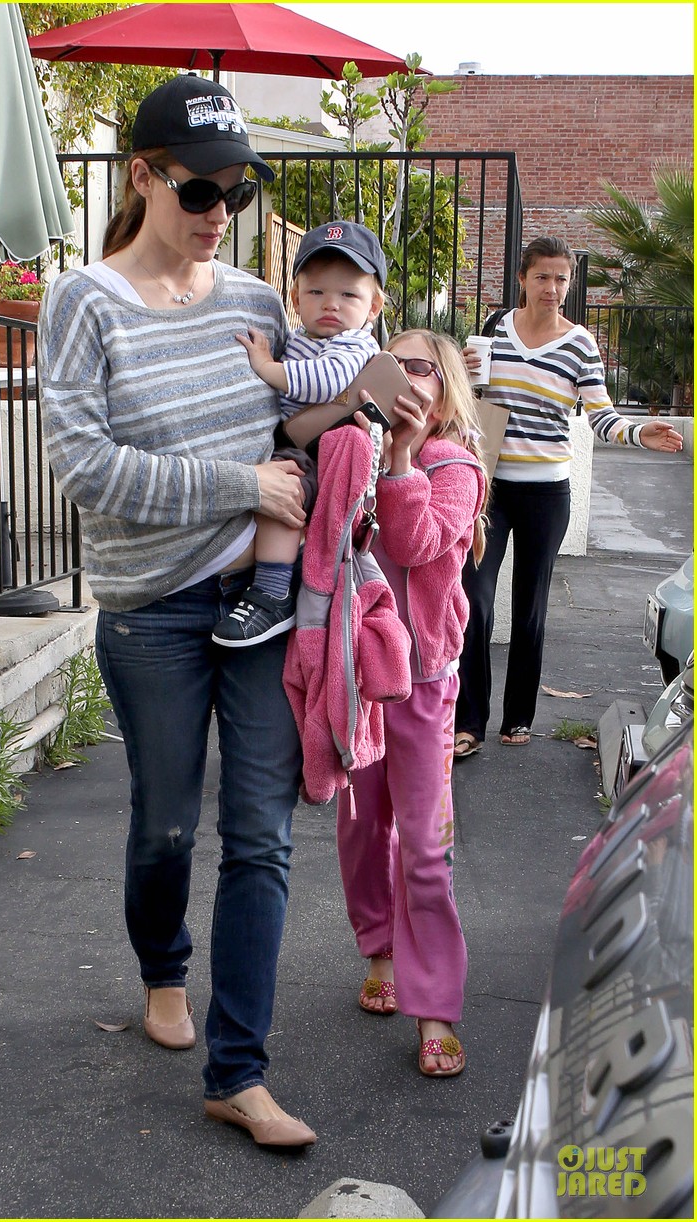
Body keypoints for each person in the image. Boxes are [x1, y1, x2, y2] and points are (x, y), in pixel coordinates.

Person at [37, 75, 317, 1148]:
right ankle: (163, 967)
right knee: (164, 824)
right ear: (142, 177)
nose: (218, 213)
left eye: (235, 193)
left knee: (261, 838)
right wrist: (240, 486)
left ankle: (238, 1073)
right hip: (149, 607)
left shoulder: (256, 303)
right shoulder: (83, 300)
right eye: (199, 189)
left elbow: (296, 432)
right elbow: (85, 469)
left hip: (259, 600)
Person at [454, 236, 684, 758]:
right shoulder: (495, 330)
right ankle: (469, 723)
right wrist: (463, 376)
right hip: (489, 488)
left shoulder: (580, 344)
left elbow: (601, 416)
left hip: (547, 493)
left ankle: (518, 717)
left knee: (530, 608)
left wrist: (638, 433)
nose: (552, 287)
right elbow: (470, 400)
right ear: (522, 279)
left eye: (561, 278)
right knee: (475, 599)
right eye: (542, 276)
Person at [336, 329, 488, 1077]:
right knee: (364, 829)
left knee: (425, 846)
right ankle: (379, 950)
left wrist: (401, 458)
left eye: (420, 366)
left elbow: (416, 541)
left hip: (425, 681)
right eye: (390, 364)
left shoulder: (455, 465)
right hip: (361, 676)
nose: (404, 377)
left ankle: (435, 1008)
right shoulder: (352, 449)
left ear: (446, 385)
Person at [211, 220, 386, 647]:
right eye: (316, 292)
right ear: (295, 298)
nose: (331, 304)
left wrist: (265, 367)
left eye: (349, 295)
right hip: (295, 440)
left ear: (374, 306)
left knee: (284, 490)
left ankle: (272, 591)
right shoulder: (303, 338)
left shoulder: (354, 344)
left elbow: (322, 382)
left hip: (319, 451)